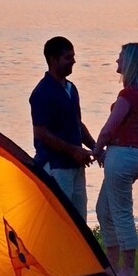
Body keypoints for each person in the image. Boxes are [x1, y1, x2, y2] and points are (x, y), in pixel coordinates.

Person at [92, 43, 138, 276]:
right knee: (104, 209)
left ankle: (128, 269)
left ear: (130, 62)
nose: (117, 60)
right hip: (134, 155)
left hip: (122, 156)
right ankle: (111, 264)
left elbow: (108, 129)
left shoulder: (128, 95)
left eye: (120, 57)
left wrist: (96, 150)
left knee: (120, 212)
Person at [29, 36, 96, 220]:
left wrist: (95, 147)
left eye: (73, 56)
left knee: (79, 219)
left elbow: (77, 124)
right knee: (60, 218)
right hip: (56, 166)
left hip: (76, 165)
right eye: (68, 57)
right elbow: (41, 132)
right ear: (53, 59)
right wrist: (73, 150)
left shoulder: (71, 88)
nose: (73, 61)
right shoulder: (42, 92)